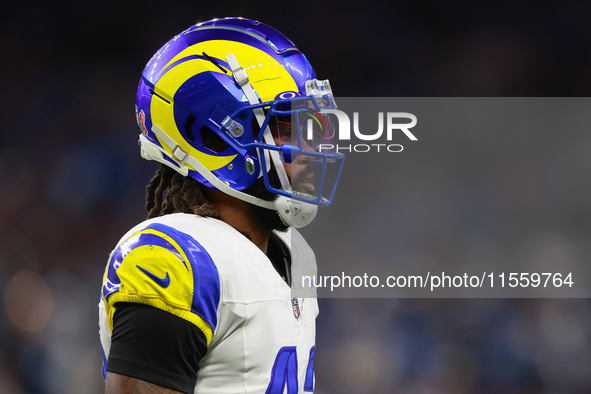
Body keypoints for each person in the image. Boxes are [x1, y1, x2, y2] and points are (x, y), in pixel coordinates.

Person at [98, 17, 345, 393]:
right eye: (286, 127)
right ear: (211, 136)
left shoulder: (295, 254)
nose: (312, 149)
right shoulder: (172, 259)